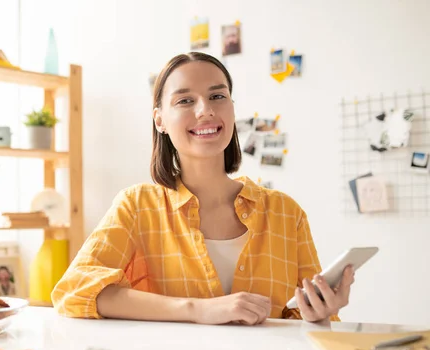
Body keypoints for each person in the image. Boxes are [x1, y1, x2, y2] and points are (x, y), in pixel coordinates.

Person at [51, 52, 354, 325]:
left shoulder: (286, 213)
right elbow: (75, 290)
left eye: (218, 96)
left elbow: (301, 323)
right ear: (160, 121)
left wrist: (319, 314)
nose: (205, 110)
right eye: (185, 100)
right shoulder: (136, 205)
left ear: (232, 109)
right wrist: (198, 309)